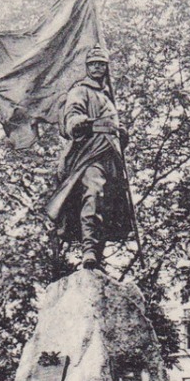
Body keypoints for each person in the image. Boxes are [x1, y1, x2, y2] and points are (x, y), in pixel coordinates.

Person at [45, 45, 133, 269]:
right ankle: (89, 250)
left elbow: (114, 130)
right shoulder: (80, 90)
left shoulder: (107, 98)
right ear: (87, 67)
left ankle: (98, 253)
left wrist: (121, 134)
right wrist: (79, 121)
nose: (97, 68)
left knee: (108, 204)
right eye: (93, 64)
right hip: (89, 153)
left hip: (110, 157)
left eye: (101, 64)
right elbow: (72, 116)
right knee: (93, 193)